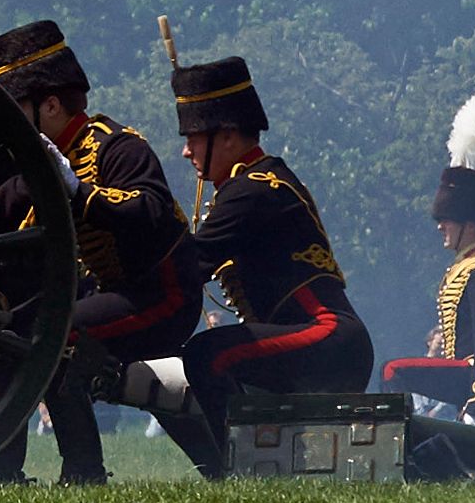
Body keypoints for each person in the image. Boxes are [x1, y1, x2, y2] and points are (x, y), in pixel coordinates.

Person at [0, 18, 192, 484]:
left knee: (52, 335)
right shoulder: (42, 163)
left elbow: (149, 210)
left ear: (49, 105)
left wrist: (77, 191)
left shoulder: (120, 147)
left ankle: (85, 472)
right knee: (7, 337)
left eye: (17, 107)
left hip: (161, 296)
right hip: (110, 293)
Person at [160, 55, 374, 474]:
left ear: (226, 136)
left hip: (330, 338)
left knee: (209, 356)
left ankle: (239, 475)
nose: (186, 151)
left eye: (193, 137)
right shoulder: (250, 184)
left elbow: (189, 263)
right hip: (320, 340)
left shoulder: (255, 190)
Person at [384, 96, 475, 427]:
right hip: (470, 373)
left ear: (469, 224)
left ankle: (398, 443)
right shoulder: (469, 267)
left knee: (393, 372)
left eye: (449, 219)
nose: (441, 226)